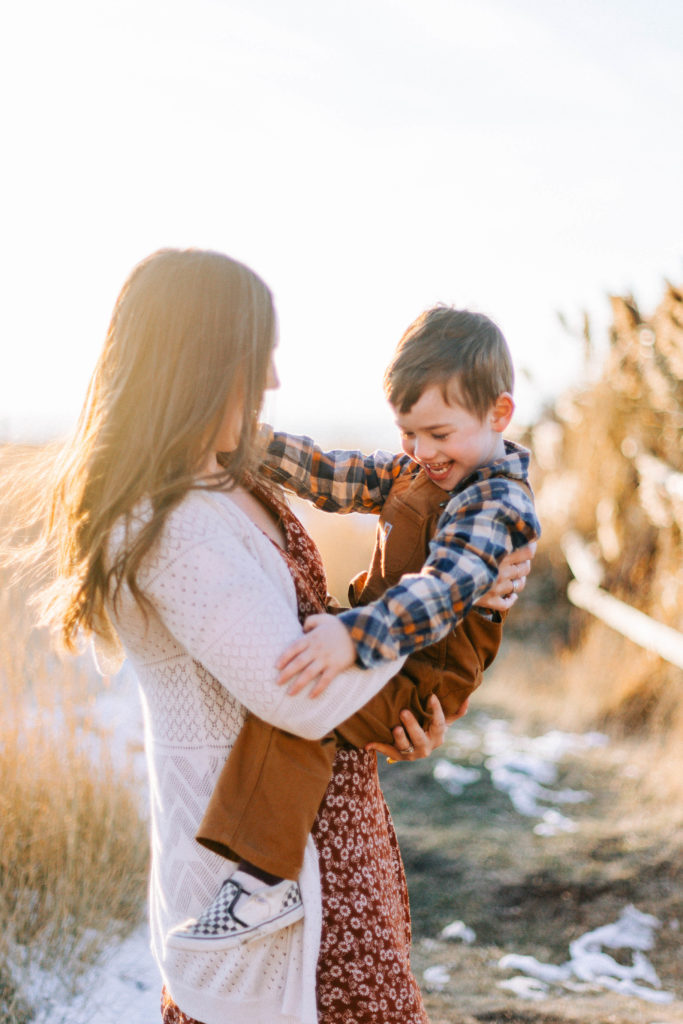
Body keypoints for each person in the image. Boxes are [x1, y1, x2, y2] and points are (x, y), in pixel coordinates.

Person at [34, 247, 530, 1024]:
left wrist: (404, 704)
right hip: (267, 881)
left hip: (338, 843)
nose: (271, 381)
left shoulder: (235, 480)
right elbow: (299, 698)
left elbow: (372, 633)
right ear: (199, 364)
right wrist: (392, 641)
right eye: (257, 357)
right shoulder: (167, 526)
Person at [171, 305, 539, 953]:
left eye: (438, 433)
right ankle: (261, 869)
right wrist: (247, 442)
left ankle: (264, 881)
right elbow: (332, 475)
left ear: (498, 416)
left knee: (306, 699)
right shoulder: (419, 470)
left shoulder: (493, 501)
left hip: (418, 669)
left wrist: (351, 638)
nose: (422, 452)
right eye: (407, 434)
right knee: (302, 699)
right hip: (385, 652)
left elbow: (444, 588)